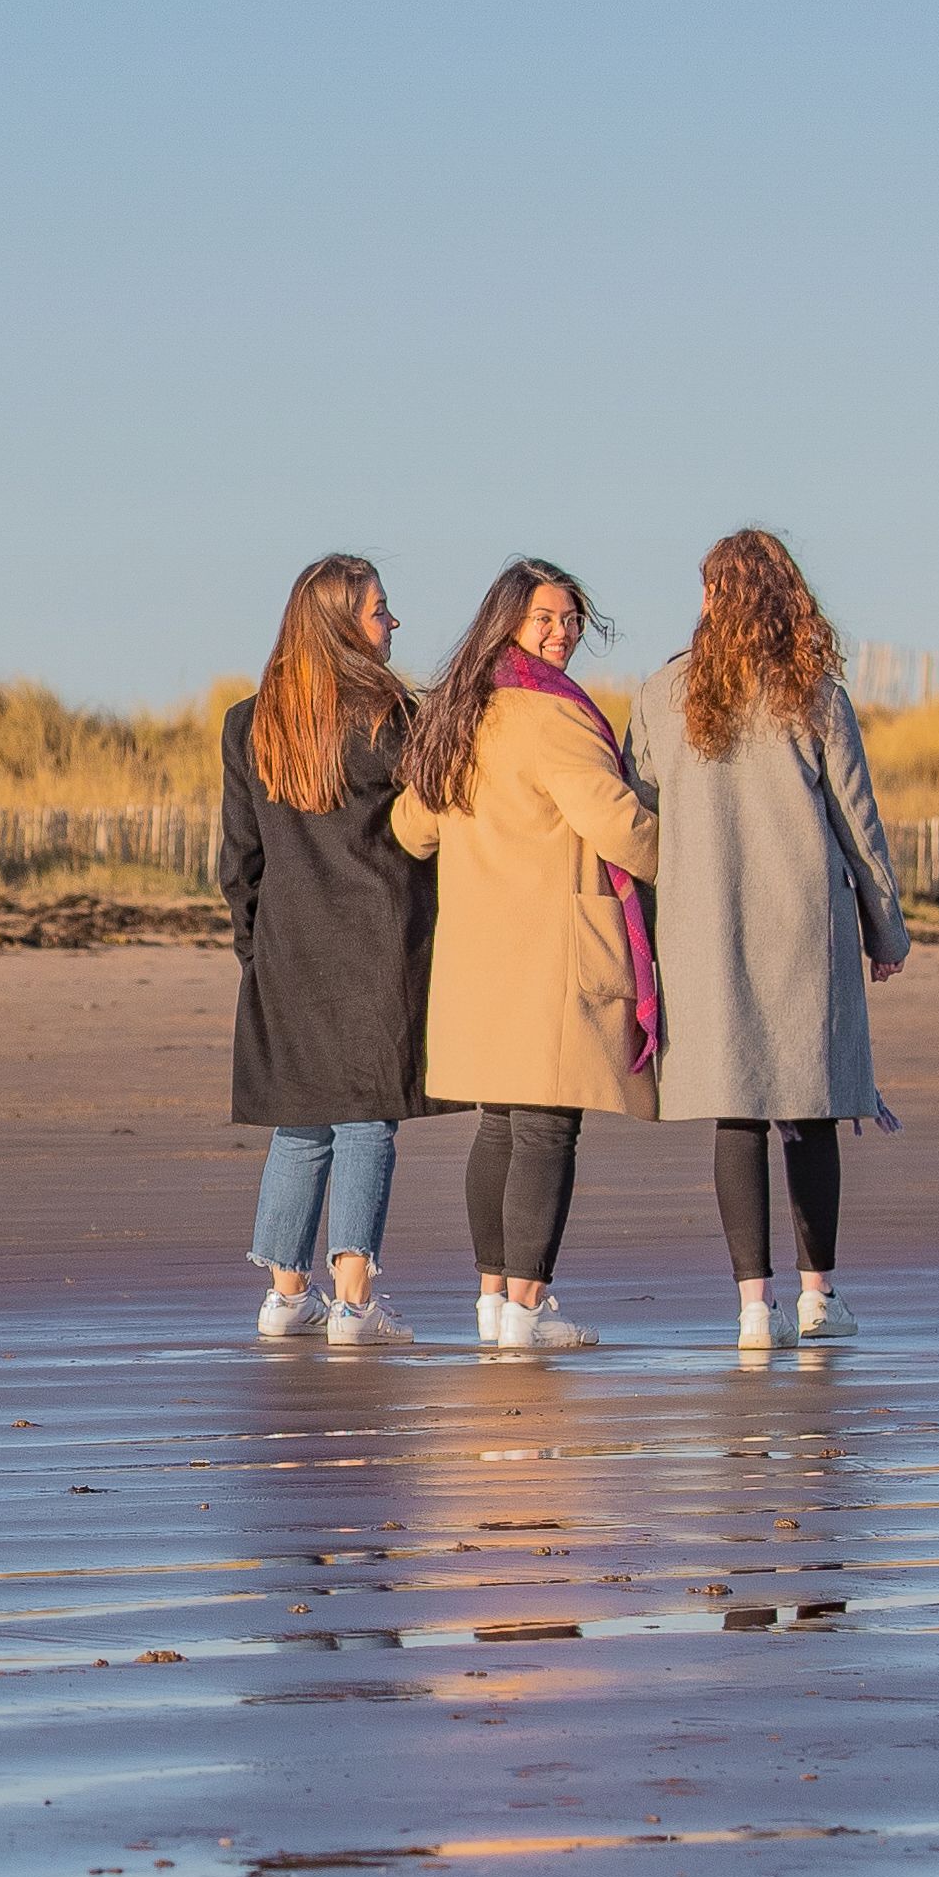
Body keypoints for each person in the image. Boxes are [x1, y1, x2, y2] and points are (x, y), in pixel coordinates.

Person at [627, 528, 911, 1347]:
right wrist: (884, 927)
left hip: (701, 931)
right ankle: (818, 1296)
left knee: (735, 1111)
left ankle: (755, 1307)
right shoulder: (812, 693)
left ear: (711, 597)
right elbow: (857, 821)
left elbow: (634, 814)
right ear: (789, 598)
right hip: (800, 929)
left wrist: (646, 927)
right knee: (809, 1109)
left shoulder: (659, 695)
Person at [394, 560, 658, 1351]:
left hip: (479, 949)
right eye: (545, 618)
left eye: (571, 620)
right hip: (551, 946)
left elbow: (412, 826)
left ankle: (491, 1303)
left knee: (502, 1126)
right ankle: (527, 1308)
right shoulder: (552, 715)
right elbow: (613, 821)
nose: (561, 634)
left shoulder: (457, 710)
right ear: (507, 620)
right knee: (545, 1127)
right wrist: (692, 856)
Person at [220, 554, 455, 1346]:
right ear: (339, 623)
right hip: (380, 939)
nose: (392, 622)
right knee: (363, 1120)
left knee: (303, 1120)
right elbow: (433, 831)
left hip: (288, 946)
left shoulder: (250, 721)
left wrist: (254, 948)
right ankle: (352, 1302)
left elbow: (238, 860)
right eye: (380, 609)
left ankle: (286, 1295)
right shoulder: (394, 716)